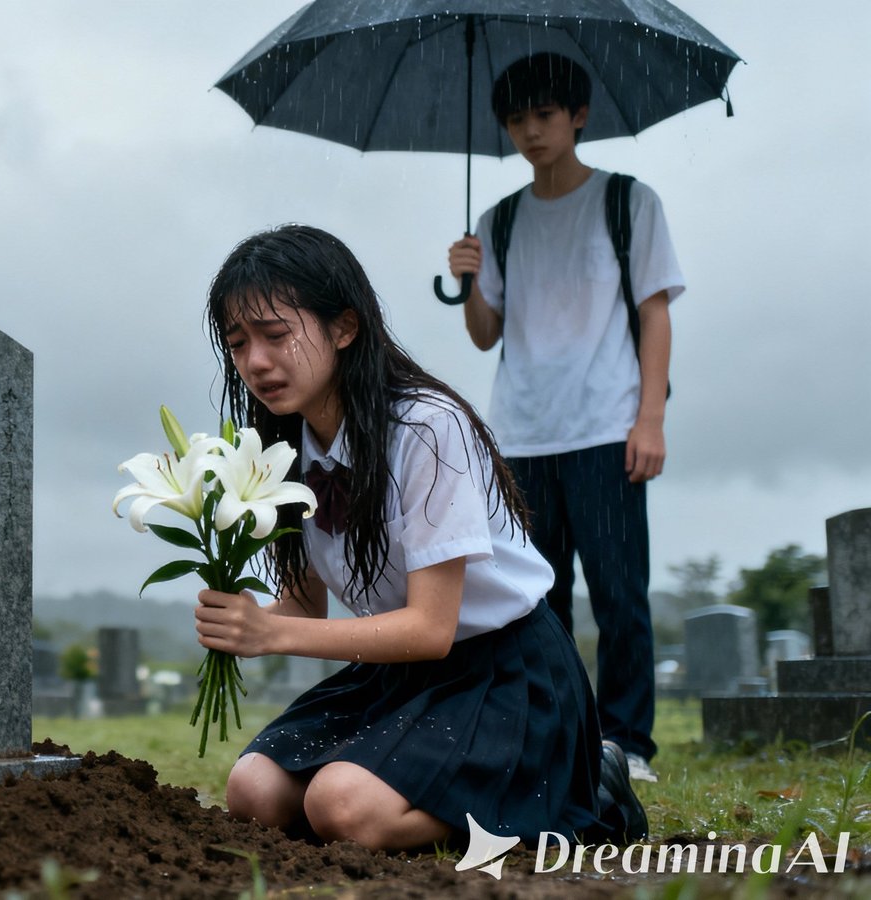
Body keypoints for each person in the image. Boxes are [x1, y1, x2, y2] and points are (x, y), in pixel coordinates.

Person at [193, 224, 645, 851]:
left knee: (339, 807)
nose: (256, 362)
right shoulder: (282, 448)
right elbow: (303, 609)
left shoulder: (427, 429)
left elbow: (432, 628)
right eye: (238, 342)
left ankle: (588, 786)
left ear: (345, 328)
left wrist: (270, 636)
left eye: (275, 334)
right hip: (395, 672)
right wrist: (244, 620)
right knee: (254, 792)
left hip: (502, 671)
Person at [445, 53, 683, 782]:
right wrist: (467, 280)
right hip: (520, 433)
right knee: (534, 599)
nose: (530, 131)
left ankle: (628, 744)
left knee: (619, 593)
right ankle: (553, 735)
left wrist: (650, 419)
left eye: (544, 115)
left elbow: (655, 313)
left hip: (607, 426)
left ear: (578, 116)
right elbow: (485, 333)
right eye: (516, 119)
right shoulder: (499, 221)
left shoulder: (627, 202)